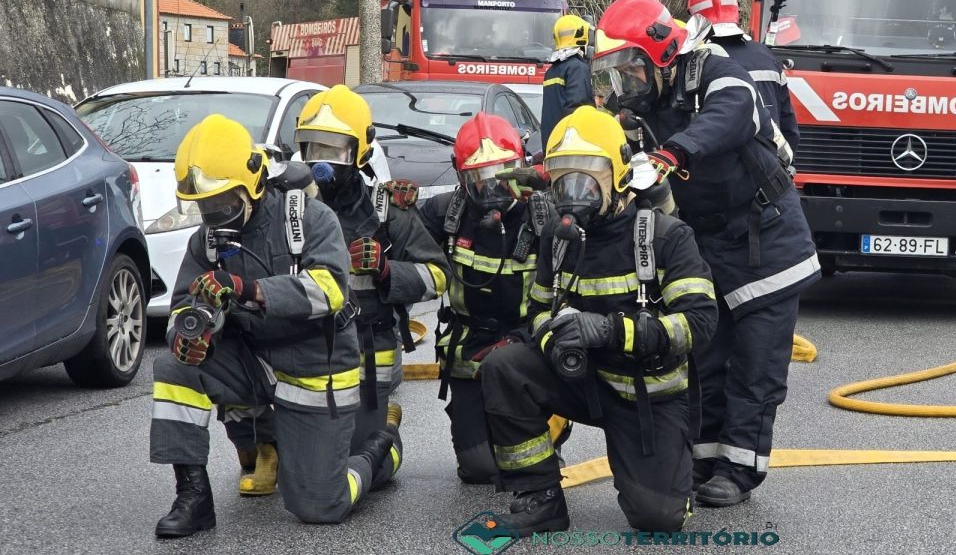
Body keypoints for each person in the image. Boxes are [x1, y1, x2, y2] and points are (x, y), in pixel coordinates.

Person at [591, 0, 820, 507]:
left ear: (661, 53)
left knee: (755, 365)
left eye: (630, 67)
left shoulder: (716, 69)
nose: (625, 81)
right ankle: (703, 459)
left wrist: (674, 153)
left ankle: (740, 470)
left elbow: (734, 111)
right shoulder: (647, 106)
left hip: (768, 243)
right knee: (705, 358)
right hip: (710, 243)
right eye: (616, 71)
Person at [149, 115, 396, 538]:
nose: (212, 216)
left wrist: (249, 290)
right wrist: (188, 332)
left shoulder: (310, 219)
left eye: (221, 203)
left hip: (316, 369)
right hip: (254, 363)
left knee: (320, 504)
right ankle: (193, 497)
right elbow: (182, 304)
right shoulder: (207, 240)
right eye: (203, 206)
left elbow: (330, 291)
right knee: (175, 367)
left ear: (252, 186)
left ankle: (380, 451)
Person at [480, 106, 717, 535]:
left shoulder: (664, 236)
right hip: (583, 378)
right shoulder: (557, 238)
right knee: (505, 366)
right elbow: (537, 311)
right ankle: (540, 498)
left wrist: (610, 331)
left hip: (646, 395)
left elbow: (698, 323)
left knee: (658, 518)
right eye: (563, 176)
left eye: (589, 174)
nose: (575, 190)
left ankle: (665, 472)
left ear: (620, 173)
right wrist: (554, 339)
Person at [295, 85, 449, 485]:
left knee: (369, 469)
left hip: (369, 351)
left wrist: (385, 269)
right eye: (313, 148)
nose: (322, 163)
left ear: (360, 152)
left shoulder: (386, 211)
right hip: (306, 349)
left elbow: (438, 276)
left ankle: (386, 429)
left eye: (334, 150)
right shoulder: (292, 210)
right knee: (306, 462)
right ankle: (263, 447)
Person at [413, 112, 544, 483]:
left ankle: (548, 424)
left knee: (527, 459)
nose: (493, 192)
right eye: (479, 181)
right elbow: (402, 251)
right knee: (480, 469)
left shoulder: (545, 218)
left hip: (527, 345)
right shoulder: (446, 214)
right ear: (461, 178)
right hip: (469, 347)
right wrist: (396, 210)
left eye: (503, 177)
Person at [686, 0, 801, 162]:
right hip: (770, 167)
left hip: (724, 170)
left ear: (694, 20)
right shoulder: (767, 56)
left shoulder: (697, 61)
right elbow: (789, 128)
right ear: (736, 12)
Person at [541, 14, 595, 137]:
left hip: (552, 140)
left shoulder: (552, 71)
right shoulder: (577, 68)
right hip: (570, 142)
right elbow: (578, 109)